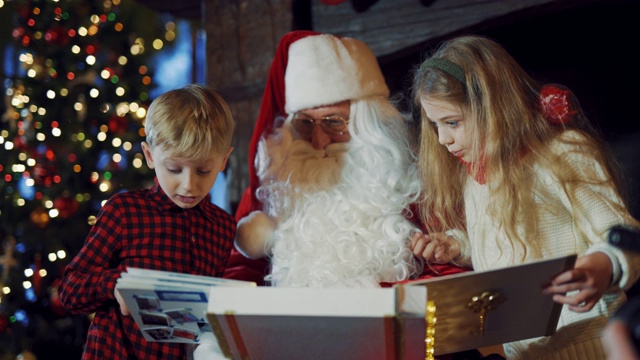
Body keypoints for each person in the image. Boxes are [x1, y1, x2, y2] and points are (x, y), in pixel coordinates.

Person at [409, 34, 640, 359]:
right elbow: (510, 243)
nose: (443, 139)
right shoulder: (476, 175)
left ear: (494, 107)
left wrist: (604, 265)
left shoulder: (561, 154)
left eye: (452, 122)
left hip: (586, 343)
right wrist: (458, 245)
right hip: (525, 351)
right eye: (435, 125)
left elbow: (626, 238)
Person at [222, 30, 470, 289]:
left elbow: (451, 272)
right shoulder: (274, 187)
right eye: (305, 124)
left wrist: (381, 298)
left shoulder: (416, 184)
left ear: (370, 123)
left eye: (333, 122)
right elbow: (237, 274)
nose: (318, 142)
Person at [57, 84, 236, 359]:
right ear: (150, 155)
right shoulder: (124, 212)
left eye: (203, 170)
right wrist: (116, 283)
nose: (189, 185)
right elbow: (69, 291)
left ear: (223, 160)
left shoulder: (223, 227)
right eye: (174, 169)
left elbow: (207, 317)